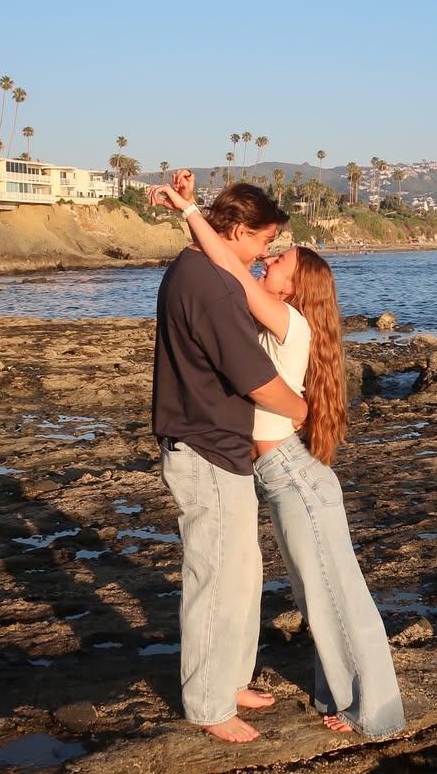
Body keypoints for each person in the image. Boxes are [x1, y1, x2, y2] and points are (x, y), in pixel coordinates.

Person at [152, 172, 405, 740]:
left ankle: (373, 712)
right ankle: (328, 695)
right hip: (273, 471)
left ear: (294, 288)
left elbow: (231, 262)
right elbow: (227, 257)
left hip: (291, 474)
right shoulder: (263, 305)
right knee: (308, 592)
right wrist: (190, 211)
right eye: (269, 245)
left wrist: (300, 410)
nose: (268, 258)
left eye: (279, 259)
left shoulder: (288, 320)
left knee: (334, 595)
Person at [151, 182, 309, 744]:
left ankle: (231, 680)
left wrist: (187, 207)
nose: (267, 253)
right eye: (265, 241)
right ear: (240, 231)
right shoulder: (211, 286)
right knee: (216, 577)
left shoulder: (197, 269)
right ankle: (208, 704)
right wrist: (304, 409)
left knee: (242, 573)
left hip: (218, 446)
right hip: (206, 448)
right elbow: (258, 381)